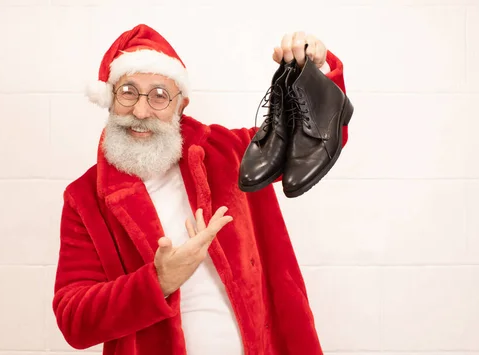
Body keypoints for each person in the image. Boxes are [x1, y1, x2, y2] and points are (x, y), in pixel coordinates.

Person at [52, 23, 349, 355]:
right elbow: (73, 319)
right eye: (128, 91)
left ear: (181, 105)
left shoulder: (232, 152)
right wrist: (158, 281)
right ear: (109, 99)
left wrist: (314, 70)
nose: (141, 110)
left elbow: (316, 143)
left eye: (159, 95)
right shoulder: (84, 198)